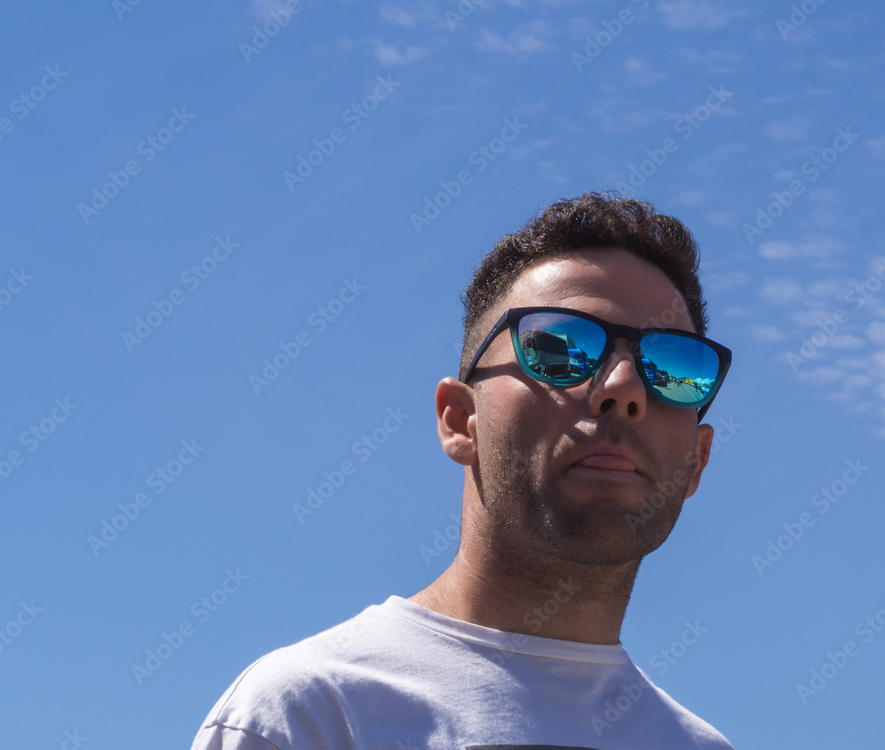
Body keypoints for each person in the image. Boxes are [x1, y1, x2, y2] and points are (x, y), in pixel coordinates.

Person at [190, 193, 735, 749]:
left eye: (671, 366)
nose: (623, 388)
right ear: (460, 420)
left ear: (697, 460)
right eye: (561, 347)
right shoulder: (309, 715)